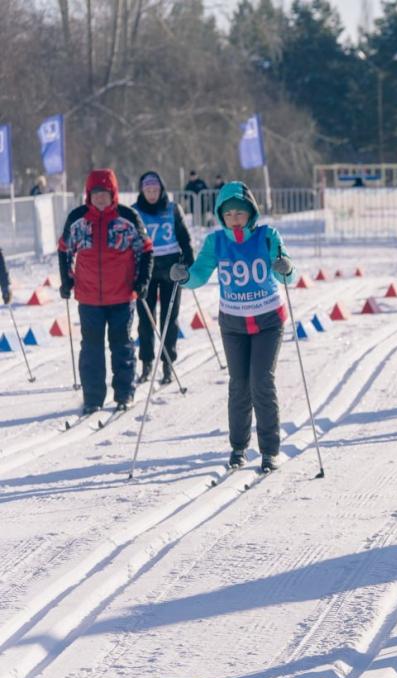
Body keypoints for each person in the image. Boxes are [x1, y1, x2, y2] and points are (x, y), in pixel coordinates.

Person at [169, 182, 296, 473]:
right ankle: (238, 447)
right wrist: (184, 277)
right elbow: (199, 274)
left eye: (240, 212)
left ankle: (269, 450)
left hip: (268, 320)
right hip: (234, 323)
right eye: (229, 214)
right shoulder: (216, 242)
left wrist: (286, 267)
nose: (235, 218)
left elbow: (288, 276)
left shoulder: (267, 236)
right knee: (239, 385)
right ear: (221, 216)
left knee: (261, 382)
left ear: (251, 213)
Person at [58, 169, 153, 414]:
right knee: (91, 348)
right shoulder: (78, 218)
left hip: (122, 294)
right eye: (96, 194)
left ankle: (124, 393)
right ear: (89, 195)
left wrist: (142, 281)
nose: (101, 198)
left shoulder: (128, 217)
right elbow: (64, 249)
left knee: (121, 345)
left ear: (114, 194)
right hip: (88, 296)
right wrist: (66, 280)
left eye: (105, 194)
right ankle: (93, 397)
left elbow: (146, 250)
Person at [132, 171, 195, 385]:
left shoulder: (172, 209)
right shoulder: (135, 211)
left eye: (155, 190)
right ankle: (147, 362)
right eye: (148, 190)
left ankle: (168, 363)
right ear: (142, 190)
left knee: (169, 318)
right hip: (146, 271)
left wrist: (189, 263)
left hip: (171, 270)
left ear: (161, 190)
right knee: (146, 320)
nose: (151, 194)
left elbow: (185, 238)